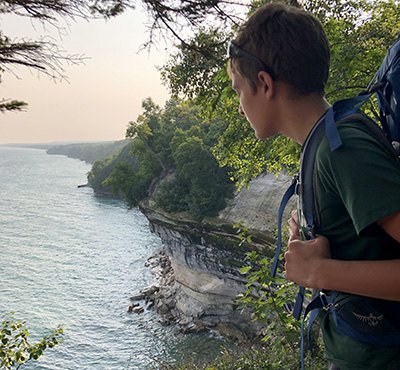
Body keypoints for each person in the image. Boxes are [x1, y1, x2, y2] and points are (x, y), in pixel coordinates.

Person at [227, 2, 400, 370]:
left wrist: (319, 273)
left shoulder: (343, 149)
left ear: (265, 83)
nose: (240, 107)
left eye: (238, 90)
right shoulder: (322, 144)